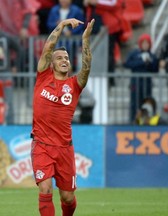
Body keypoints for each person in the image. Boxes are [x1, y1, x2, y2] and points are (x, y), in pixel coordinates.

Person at [30, 18, 95, 216]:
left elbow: (86, 67)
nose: (64, 60)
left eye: (66, 58)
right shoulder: (43, 77)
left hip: (64, 149)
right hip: (41, 145)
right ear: (51, 62)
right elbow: (49, 45)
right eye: (60, 58)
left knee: (67, 198)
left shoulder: (75, 85)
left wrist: (85, 40)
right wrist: (63, 23)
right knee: (46, 189)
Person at [123, 33, 158, 123]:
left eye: (147, 43)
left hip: (147, 83)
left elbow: (155, 69)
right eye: (143, 43)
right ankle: (133, 121)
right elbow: (127, 64)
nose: (145, 45)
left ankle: (146, 122)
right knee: (134, 103)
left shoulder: (152, 56)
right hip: (136, 82)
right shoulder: (134, 54)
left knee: (146, 104)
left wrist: (150, 62)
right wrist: (142, 62)